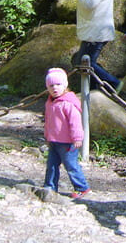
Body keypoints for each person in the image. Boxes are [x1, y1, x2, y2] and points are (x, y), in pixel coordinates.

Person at [43, 67, 91, 199]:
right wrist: (47, 135)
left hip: (68, 142)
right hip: (54, 140)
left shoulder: (68, 103)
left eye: (58, 84)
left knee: (71, 165)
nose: (55, 88)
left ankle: (82, 187)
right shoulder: (50, 103)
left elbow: (75, 122)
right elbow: (48, 121)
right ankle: (50, 186)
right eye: (51, 85)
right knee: (51, 165)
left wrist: (77, 138)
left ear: (65, 85)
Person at [75, 0, 121, 92]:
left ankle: (114, 83)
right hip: (94, 31)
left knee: (83, 63)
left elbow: (89, 3)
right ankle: (92, 90)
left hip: (96, 33)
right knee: (86, 62)